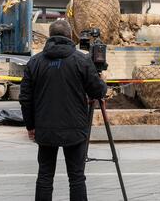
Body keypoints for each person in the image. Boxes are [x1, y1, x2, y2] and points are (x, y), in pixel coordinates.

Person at [20, 20, 107, 201]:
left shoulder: (35, 62)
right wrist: (102, 80)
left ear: (50, 36)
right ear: (69, 36)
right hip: (75, 128)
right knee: (76, 177)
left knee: (45, 176)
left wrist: (30, 126)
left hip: (45, 128)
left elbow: (25, 98)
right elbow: (97, 91)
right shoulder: (81, 60)